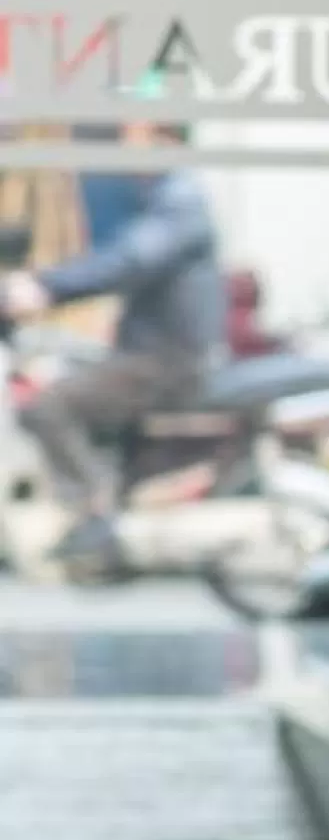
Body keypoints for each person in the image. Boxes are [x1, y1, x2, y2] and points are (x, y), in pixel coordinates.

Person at [0, 133, 227, 559]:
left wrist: (47, 286)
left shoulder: (179, 204)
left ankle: (94, 512)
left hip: (165, 362)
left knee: (49, 405)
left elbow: (129, 260)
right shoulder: (165, 200)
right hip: (151, 354)